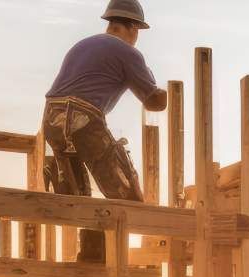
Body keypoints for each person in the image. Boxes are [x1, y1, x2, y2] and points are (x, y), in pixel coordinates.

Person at [41, 0, 166, 263]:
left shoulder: (82, 45)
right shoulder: (127, 52)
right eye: (138, 32)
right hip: (83, 119)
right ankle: (98, 255)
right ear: (132, 27)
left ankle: (92, 255)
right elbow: (154, 101)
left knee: (82, 196)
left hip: (52, 119)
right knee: (126, 194)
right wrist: (169, 94)